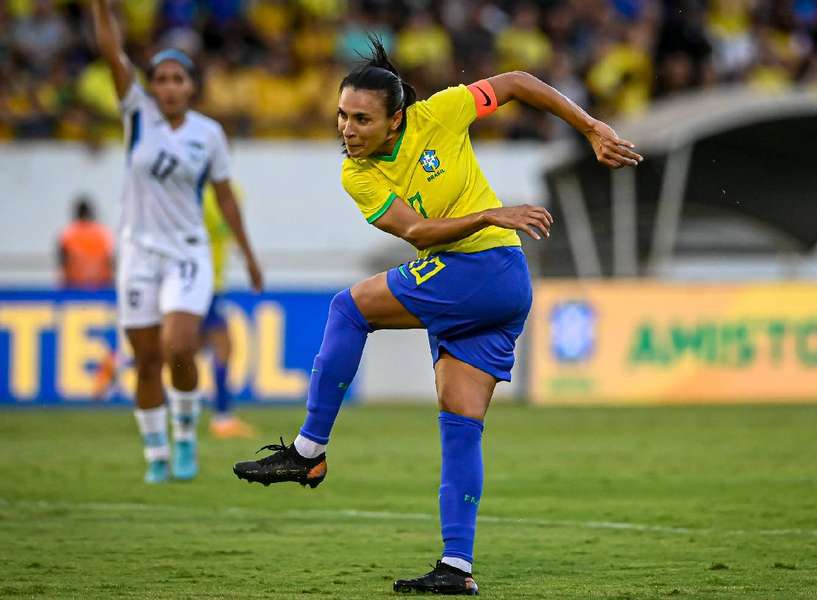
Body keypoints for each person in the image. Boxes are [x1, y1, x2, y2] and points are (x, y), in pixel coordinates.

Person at [233, 39, 640, 595]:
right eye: (342, 116)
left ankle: (308, 452)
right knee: (459, 423)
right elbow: (418, 233)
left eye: (361, 119)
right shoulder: (358, 175)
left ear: (395, 117)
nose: (347, 130)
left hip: (484, 269)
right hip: (488, 280)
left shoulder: (441, 113)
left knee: (348, 310)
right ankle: (456, 567)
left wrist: (592, 127)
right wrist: (490, 213)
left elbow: (518, 81)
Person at [90, 0, 263, 484]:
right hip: (138, 253)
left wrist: (249, 256)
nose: (168, 86)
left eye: (177, 78)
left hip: (188, 252)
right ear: (151, 85)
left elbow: (226, 200)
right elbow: (110, 50)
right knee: (145, 360)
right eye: (160, 78)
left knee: (179, 346)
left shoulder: (208, 135)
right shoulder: (136, 115)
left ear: (191, 86)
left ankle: (185, 433)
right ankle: (156, 453)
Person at [201, 183, 257, 439]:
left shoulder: (226, 192)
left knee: (187, 347)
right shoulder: (204, 194)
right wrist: (250, 260)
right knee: (223, 345)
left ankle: (119, 362)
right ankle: (222, 418)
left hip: (211, 282)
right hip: (201, 282)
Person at [57, 195, 114, 289]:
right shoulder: (103, 233)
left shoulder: (68, 234)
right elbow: (110, 261)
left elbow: (62, 262)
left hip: (74, 288)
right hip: (101, 288)